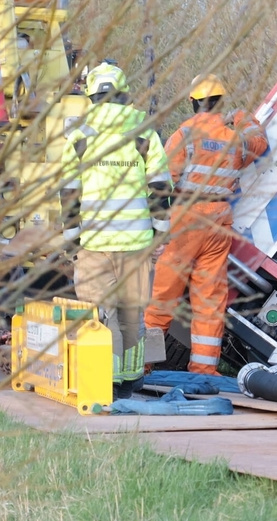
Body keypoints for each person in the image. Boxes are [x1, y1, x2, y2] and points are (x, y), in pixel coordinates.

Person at [61, 60, 172, 399]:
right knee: (131, 315)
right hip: (137, 243)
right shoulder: (144, 132)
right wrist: (159, 233)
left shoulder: (80, 135)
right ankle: (131, 380)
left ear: (91, 95)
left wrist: (70, 239)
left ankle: (104, 381)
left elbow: (68, 192)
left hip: (95, 244)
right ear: (124, 95)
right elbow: (160, 188)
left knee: (98, 315)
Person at [145, 73, 268, 374]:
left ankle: (144, 363)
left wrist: (154, 227)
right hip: (219, 220)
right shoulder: (235, 141)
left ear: (193, 102)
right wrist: (243, 117)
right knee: (210, 300)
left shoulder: (184, 135)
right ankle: (203, 371)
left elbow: (161, 181)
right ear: (220, 102)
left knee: (164, 295)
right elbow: (260, 142)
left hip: (186, 217)